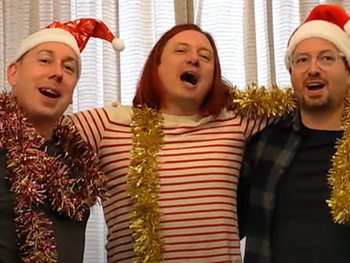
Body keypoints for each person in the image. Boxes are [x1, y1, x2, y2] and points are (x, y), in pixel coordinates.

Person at [68, 23, 296, 263]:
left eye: (205, 56)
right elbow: (37, 130)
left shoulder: (234, 122)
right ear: (156, 65)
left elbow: (307, 102)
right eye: (181, 51)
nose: (194, 59)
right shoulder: (108, 124)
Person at [0, 19, 124, 263]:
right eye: (45, 60)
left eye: (69, 69)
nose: (57, 73)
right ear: (13, 73)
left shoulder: (76, 160)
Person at [239, 4, 350, 263]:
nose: (313, 69)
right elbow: (225, 219)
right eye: (302, 60)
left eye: (327, 58)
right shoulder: (264, 141)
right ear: (291, 75)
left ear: (348, 72)